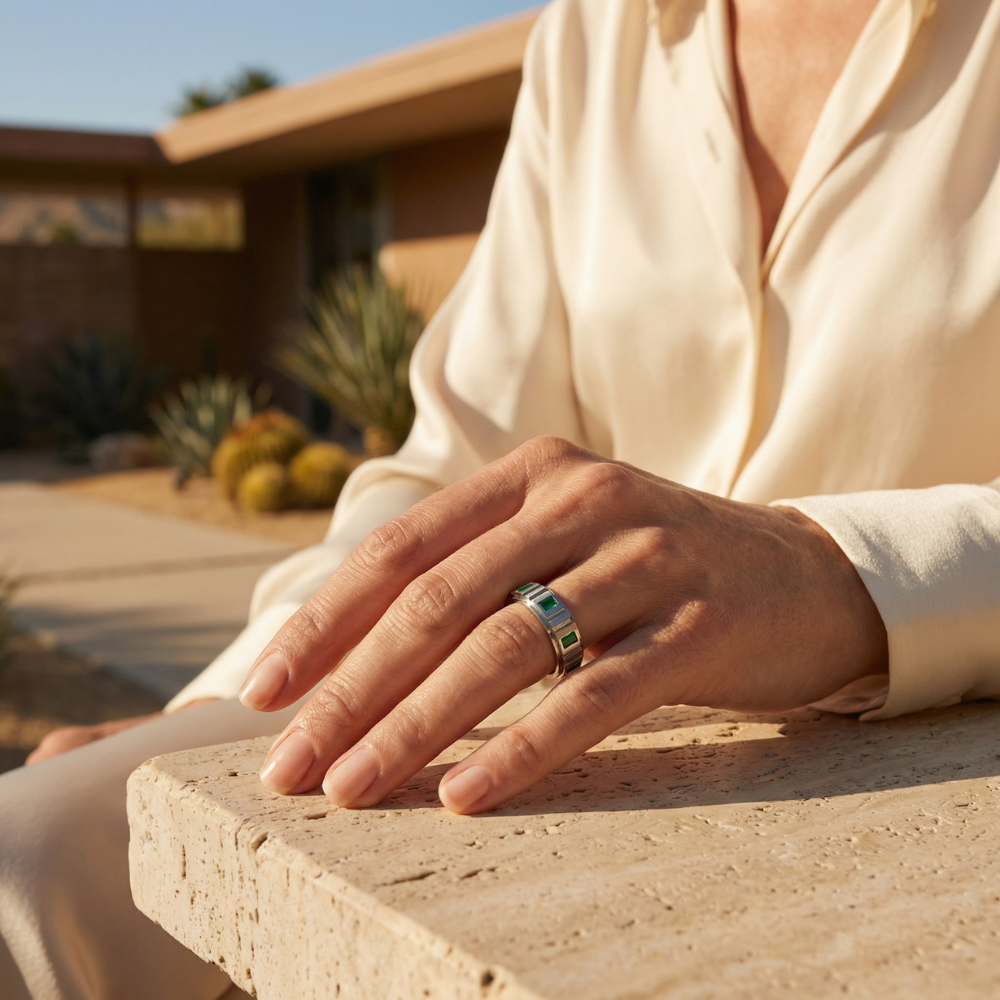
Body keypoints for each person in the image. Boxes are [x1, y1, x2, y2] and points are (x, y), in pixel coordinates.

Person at [4, 0, 1000, 996]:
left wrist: (838, 572)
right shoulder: (595, 34)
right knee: (27, 862)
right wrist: (239, 693)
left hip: (914, 759)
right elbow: (459, 465)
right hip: (534, 721)